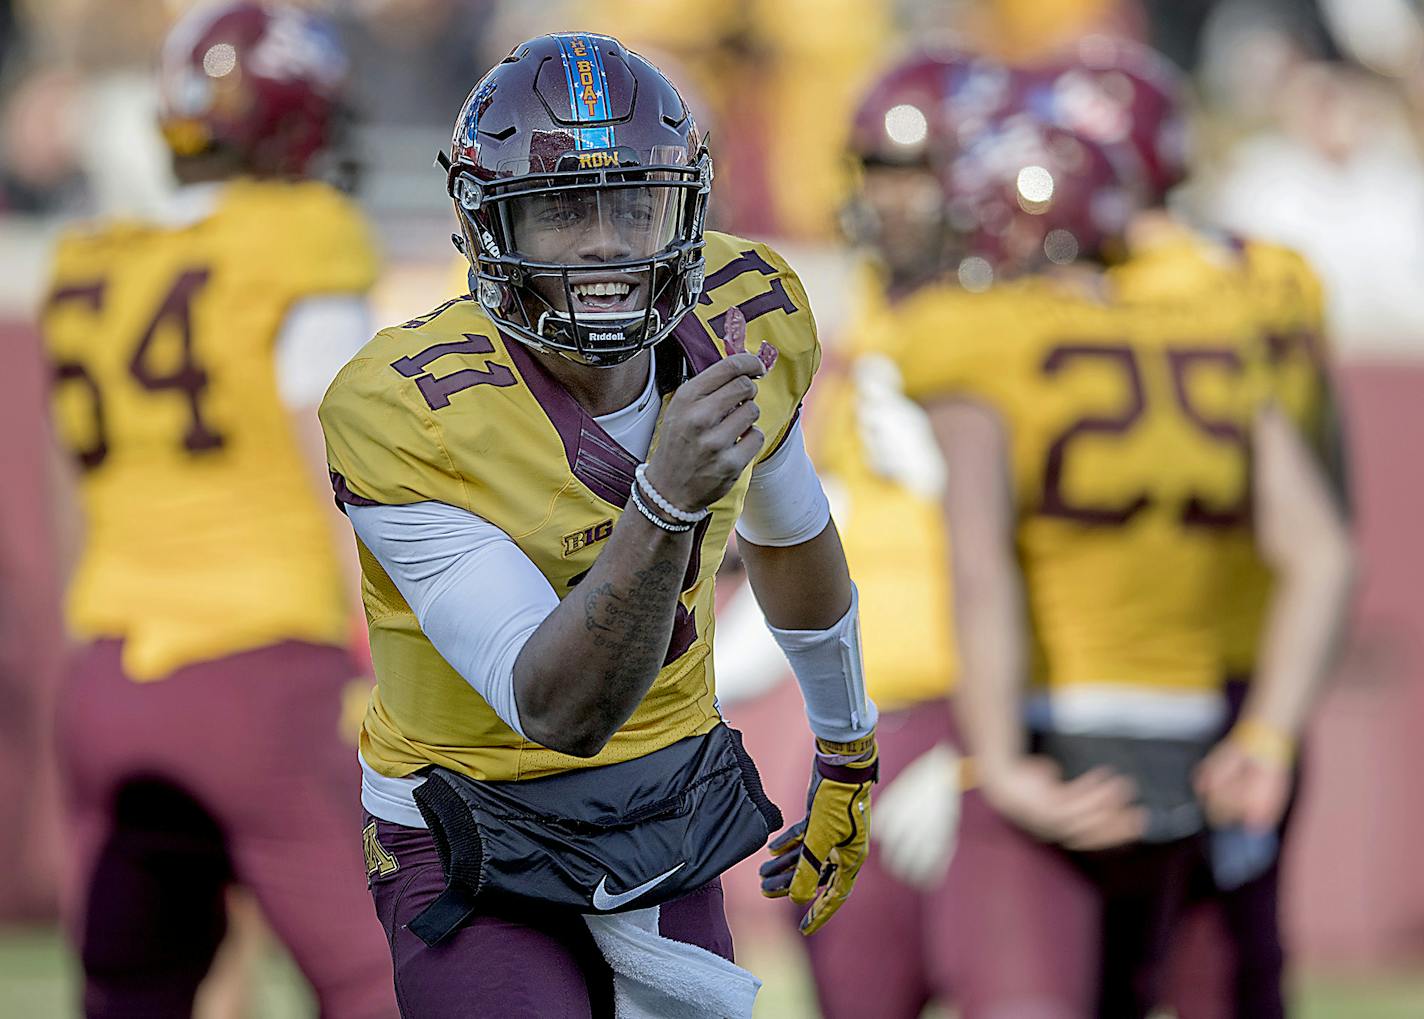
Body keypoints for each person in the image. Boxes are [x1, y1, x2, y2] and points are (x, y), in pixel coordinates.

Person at [318, 32, 878, 1019]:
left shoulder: (745, 308)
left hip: (665, 801)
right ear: (486, 224)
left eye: (631, 201)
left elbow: (793, 539)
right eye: (562, 208)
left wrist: (847, 746)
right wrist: (662, 501)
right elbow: (556, 709)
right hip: (469, 811)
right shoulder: (407, 406)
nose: (606, 242)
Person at [898, 104, 1354, 1017]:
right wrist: (1268, 733)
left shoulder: (972, 336)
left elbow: (983, 569)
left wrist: (996, 758)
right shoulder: (1209, 336)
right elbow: (1327, 551)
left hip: (1050, 734)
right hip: (1189, 741)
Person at [40, 4, 397, 1017]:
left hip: (107, 672)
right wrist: (386, 659)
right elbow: (346, 477)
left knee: (134, 988)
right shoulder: (301, 243)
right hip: (260, 666)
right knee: (384, 975)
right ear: (294, 119)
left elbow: (76, 505)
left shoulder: (94, 263)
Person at [1015, 37, 1350, 1016]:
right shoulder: (1274, 272)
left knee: (1098, 967)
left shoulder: (1087, 295)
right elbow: (1329, 496)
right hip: (1253, 661)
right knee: (1234, 962)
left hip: (1113, 667)